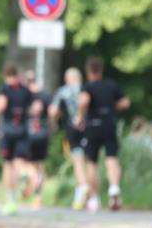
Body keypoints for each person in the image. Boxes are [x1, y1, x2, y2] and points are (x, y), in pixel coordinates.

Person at [75, 57, 131, 211]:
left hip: (93, 126)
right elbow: (125, 102)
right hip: (109, 125)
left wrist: (79, 117)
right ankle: (114, 188)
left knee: (91, 163)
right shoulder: (111, 85)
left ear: (88, 71)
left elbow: (83, 102)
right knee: (111, 158)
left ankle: (94, 198)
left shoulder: (88, 87)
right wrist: (112, 106)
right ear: (100, 70)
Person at [0, 62, 34, 215]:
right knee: (19, 162)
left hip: (8, 129)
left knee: (8, 164)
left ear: (4, 75)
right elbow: (33, 108)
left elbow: (1, 106)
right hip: (23, 129)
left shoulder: (4, 89)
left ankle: (10, 201)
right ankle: (24, 173)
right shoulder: (25, 90)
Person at [50, 68, 88, 210]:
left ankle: (82, 188)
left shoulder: (63, 91)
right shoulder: (86, 89)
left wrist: (54, 122)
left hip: (72, 128)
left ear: (67, 78)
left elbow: (53, 111)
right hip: (90, 128)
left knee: (78, 162)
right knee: (90, 163)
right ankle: (90, 199)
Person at [23, 70, 52, 210]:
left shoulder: (24, 95)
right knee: (39, 164)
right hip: (44, 131)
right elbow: (52, 112)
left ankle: (32, 179)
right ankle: (38, 198)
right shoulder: (45, 95)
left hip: (28, 132)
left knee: (25, 163)